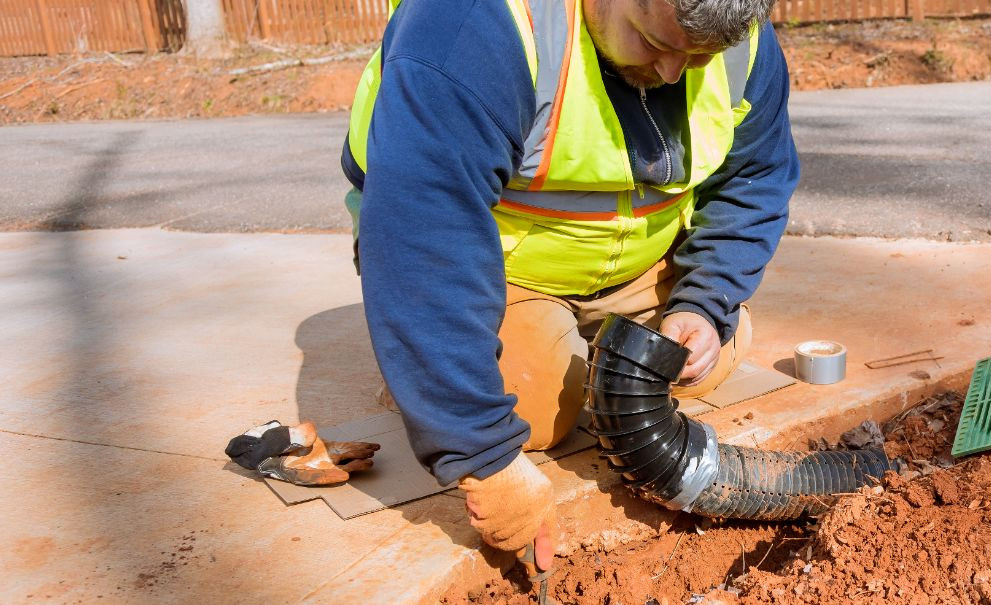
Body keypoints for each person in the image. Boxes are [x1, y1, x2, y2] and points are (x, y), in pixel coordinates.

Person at [338, 0, 798, 572]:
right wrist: (481, 452)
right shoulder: (471, 24)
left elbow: (754, 180)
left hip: (638, 260)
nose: (672, 72)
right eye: (655, 43)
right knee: (532, 408)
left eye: (699, 57)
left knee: (715, 352)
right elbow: (424, 233)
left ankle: (589, 344)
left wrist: (706, 302)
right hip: (498, 268)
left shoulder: (743, 39)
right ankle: (426, 371)